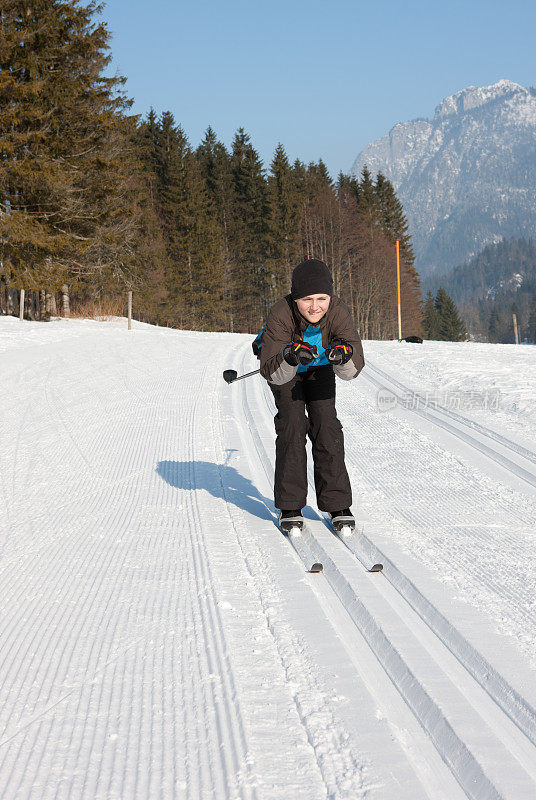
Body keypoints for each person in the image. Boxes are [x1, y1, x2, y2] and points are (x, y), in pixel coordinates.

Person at [259, 258, 365, 530]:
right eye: (307, 299)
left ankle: (337, 503)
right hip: (286, 371)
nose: (315, 306)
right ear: (295, 299)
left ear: (330, 296)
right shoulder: (281, 314)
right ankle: (290, 505)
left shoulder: (339, 312)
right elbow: (271, 371)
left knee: (326, 426)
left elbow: (353, 371)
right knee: (292, 425)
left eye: (322, 298)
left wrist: (343, 356)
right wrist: (291, 357)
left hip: (320, 370)